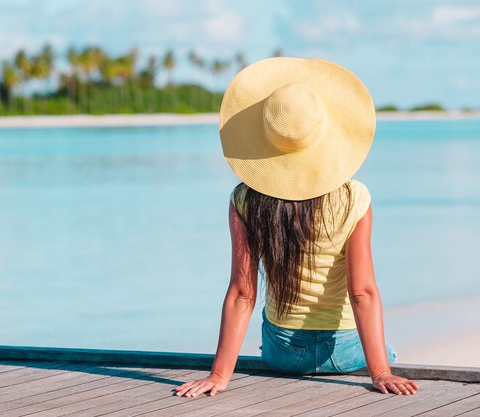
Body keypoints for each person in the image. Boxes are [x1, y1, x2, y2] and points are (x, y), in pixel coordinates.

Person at [175, 57, 419, 398]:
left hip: (284, 353)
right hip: (346, 352)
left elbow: (242, 293)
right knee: (390, 352)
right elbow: (362, 292)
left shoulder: (245, 200)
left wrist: (218, 375)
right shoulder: (354, 198)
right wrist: (380, 371)